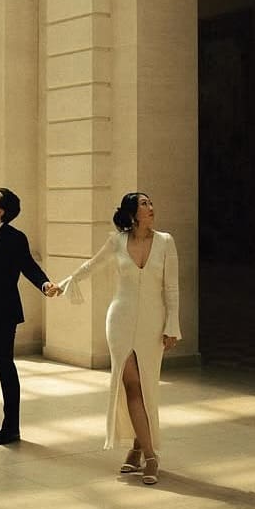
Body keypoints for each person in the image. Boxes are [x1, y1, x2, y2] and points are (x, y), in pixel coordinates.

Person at [57, 192, 180, 484]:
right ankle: (151, 456)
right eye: (144, 204)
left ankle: (137, 447)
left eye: (151, 203)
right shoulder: (117, 241)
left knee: (147, 386)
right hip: (120, 320)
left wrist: (172, 326)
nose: (151, 208)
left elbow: (171, 289)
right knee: (130, 385)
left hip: (153, 323)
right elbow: (91, 266)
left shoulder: (165, 241)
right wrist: (64, 285)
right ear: (132, 213)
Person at [0, 189, 59, 445]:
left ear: (1, 210)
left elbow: (28, 265)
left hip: (2, 314)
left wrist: (45, 284)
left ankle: (11, 429)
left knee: (4, 368)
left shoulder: (14, 238)